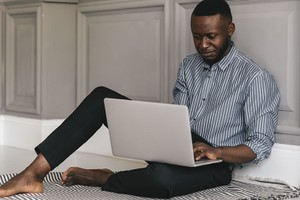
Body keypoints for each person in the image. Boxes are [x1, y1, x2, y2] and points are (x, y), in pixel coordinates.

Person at [0, 0, 280, 198]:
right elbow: (177, 115)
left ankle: (104, 177)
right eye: (196, 37)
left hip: (217, 162)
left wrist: (216, 152)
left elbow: (260, 144)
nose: (203, 45)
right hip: (179, 145)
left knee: (162, 181)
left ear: (230, 30)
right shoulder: (188, 65)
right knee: (101, 97)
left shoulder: (255, 78)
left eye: (211, 36)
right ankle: (33, 174)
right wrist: (162, 139)